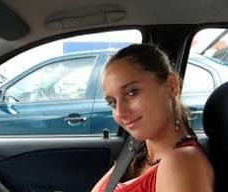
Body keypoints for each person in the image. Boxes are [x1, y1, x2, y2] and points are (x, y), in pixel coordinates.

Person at [91, 44, 214, 192]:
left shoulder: (182, 163)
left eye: (132, 92)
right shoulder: (138, 152)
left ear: (171, 86)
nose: (120, 112)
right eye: (112, 102)